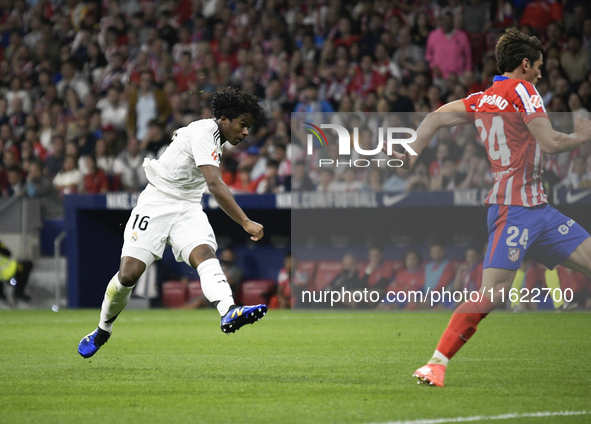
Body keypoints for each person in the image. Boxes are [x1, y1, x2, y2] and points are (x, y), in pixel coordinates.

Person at [387, 28, 591, 387]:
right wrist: (582, 137)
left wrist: (412, 153)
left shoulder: (482, 99)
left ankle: (437, 363)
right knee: (492, 293)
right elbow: (551, 141)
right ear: (525, 64)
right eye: (539, 66)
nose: (542, 74)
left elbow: (434, 117)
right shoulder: (524, 90)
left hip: (538, 209)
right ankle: (436, 363)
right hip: (514, 210)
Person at [78, 88, 267, 359]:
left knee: (204, 254)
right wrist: (246, 222)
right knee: (128, 275)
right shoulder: (205, 134)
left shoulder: (212, 135)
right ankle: (102, 330)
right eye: (243, 124)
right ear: (224, 119)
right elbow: (214, 184)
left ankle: (228, 310)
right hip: (157, 201)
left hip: (187, 206)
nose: (246, 132)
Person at [0, 240, 33, 304]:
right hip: (11, 271)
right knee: (27, 265)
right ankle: (18, 293)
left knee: (26, 266)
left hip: (5, 275)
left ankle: (6, 297)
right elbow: (7, 253)